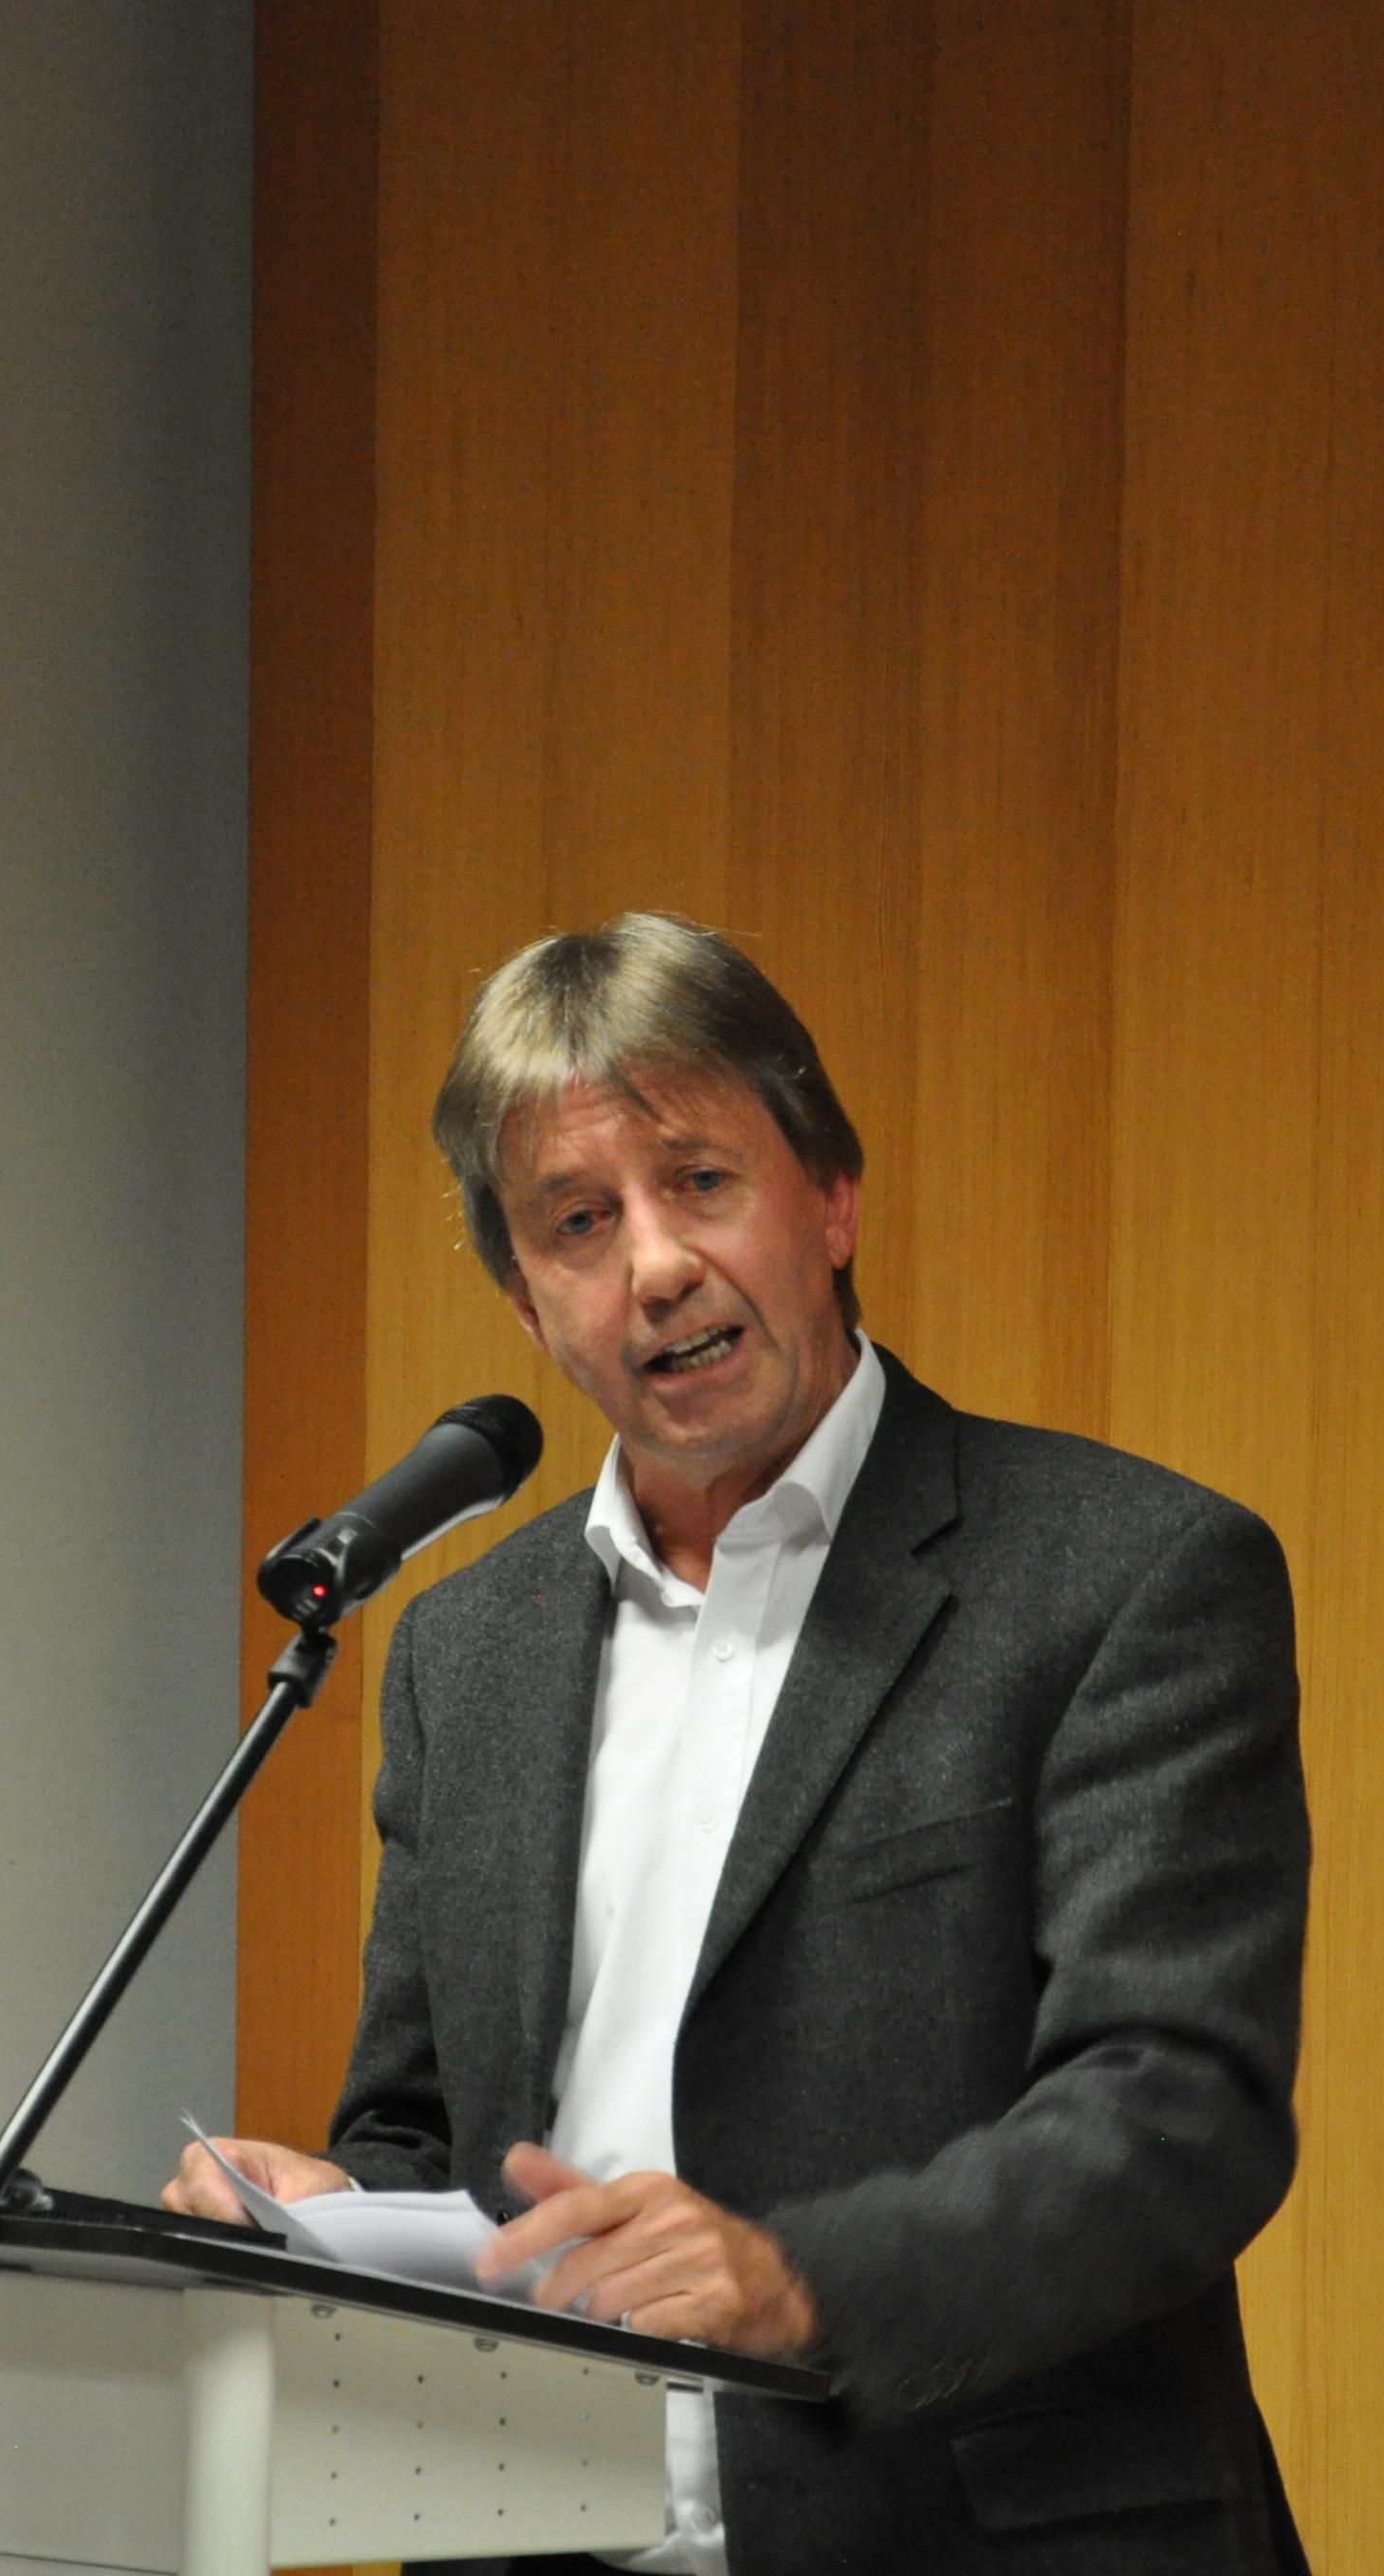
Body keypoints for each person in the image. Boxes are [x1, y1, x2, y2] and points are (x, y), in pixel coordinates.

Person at [171, 912, 1310, 2575]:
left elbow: (1180, 2114)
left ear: (831, 1202)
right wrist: (332, 2216)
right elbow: (428, 2135)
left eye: (700, 1181)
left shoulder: (1123, 1576)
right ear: (528, 1302)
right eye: (579, 1222)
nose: (654, 1266)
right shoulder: (464, 1654)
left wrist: (799, 2281)